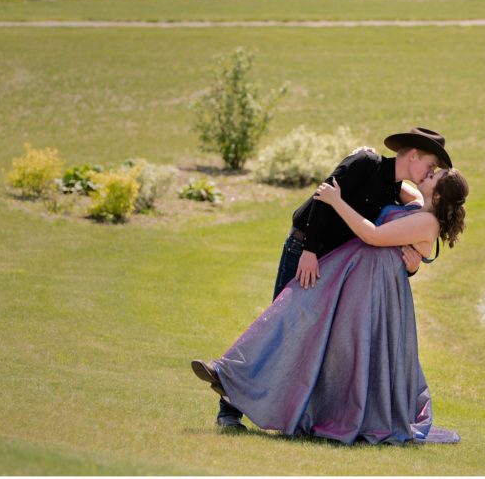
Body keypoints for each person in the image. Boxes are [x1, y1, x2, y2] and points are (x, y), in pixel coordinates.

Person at [192, 163, 469, 445]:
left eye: (433, 176)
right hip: (351, 274)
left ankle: (235, 378)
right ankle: (229, 374)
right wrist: (368, 160)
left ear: (438, 196)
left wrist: (336, 201)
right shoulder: (420, 203)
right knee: (294, 315)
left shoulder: (427, 222)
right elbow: (396, 181)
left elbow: (373, 235)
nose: (428, 173)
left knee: (312, 327)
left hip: (366, 288)